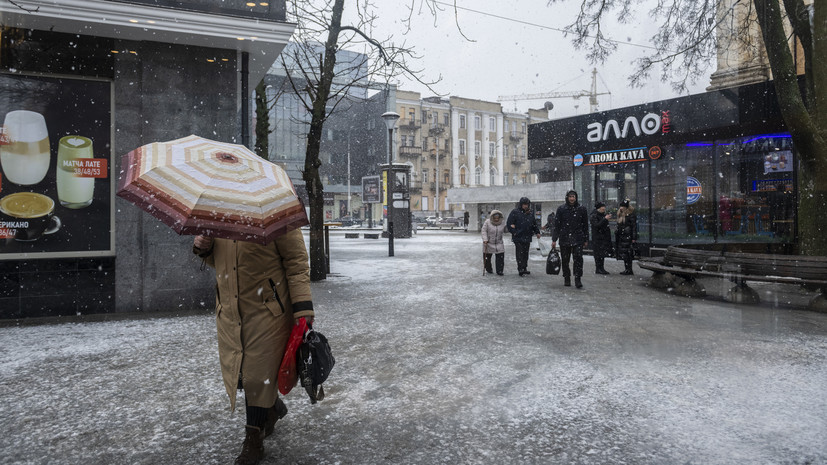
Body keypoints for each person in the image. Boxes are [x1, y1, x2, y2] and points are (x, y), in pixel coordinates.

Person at [193, 229, 315, 465]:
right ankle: (271, 408)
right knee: (240, 372)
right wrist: (204, 248)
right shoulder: (219, 215)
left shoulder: (277, 214)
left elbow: (296, 262)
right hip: (230, 311)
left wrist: (303, 308)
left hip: (267, 311)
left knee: (256, 376)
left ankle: (253, 440)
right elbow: (222, 262)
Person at [552, 190, 589, 288]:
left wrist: (586, 239)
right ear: (567, 198)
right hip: (564, 237)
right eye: (570, 197)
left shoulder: (581, 209)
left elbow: (585, 225)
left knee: (578, 259)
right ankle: (567, 277)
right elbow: (557, 225)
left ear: (576, 198)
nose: (572, 199)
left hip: (578, 237)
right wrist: (554, 239)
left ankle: (578, 278)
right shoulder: (561, 209)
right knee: (565, 259)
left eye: (573, 197)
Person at [507, 197, 541, 276]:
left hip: (527, 236)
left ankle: (524, 267)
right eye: (524, 204)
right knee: (520, 253)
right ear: (521, 204)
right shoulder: (515, 212)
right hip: (518, 237)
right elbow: (509, 224)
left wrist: (537, 232)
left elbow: (534, 224)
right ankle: (520, 268)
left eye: (527, 204)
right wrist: (514, 232)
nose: (526, 206)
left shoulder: (530, 213)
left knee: (525, 253)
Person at [615, 198, 638, 275]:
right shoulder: (620, 214)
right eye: (620, 206)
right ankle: (627, 269)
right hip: (622, 236)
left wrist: (634, 238)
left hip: (628, 236)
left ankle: (629, 269)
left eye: (622, 206)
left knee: (628, 253)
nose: (621, 208)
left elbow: (634, 227)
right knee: (625, 253)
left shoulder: (630, 215)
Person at [589, 202, 613, 275]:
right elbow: (597, 225)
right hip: (597, 238)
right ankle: (598, 268)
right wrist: (605, 219)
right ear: (598, 208)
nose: (604, 209)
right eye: (602, 208)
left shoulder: (602, 215)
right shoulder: (594, 215)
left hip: (603, 237)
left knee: (602, 253)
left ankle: (601, 268)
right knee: (598, 254)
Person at [481, 209, 507, 275]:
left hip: (499, 242)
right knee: (487, 258)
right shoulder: (487, 222)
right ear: (492, 217)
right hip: (488, 242)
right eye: (495, 218)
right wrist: (485, 239)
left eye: (497, 218)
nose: (496, 219)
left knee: (500, 257)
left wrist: (510, 227)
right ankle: (488, 269)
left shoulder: (502, 222)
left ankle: (500, 270)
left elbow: (506, 230)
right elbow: (484, 231)